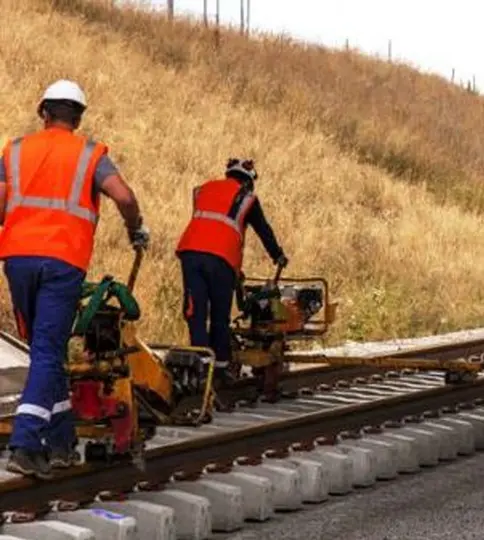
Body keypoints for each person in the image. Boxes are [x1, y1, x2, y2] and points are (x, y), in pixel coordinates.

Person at [0, 79, 149, 479]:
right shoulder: (90, 155)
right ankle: (27, 443)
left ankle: (62, 441)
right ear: (78, 117)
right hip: (63, 260)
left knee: (44, 351)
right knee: (48, 352)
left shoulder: (13, 151)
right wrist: (136, 229)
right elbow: (125, 197)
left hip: (16, 258)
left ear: (42, 112)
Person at [175, 158, 288, 402]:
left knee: (195, 312)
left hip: (190, 253)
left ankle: (201, 367)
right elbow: (262, 229)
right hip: (222, 259)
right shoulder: (247, 198)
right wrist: (277, 255)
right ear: (248, 181)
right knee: (219, 316)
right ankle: (222, 369)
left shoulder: (203, 189)